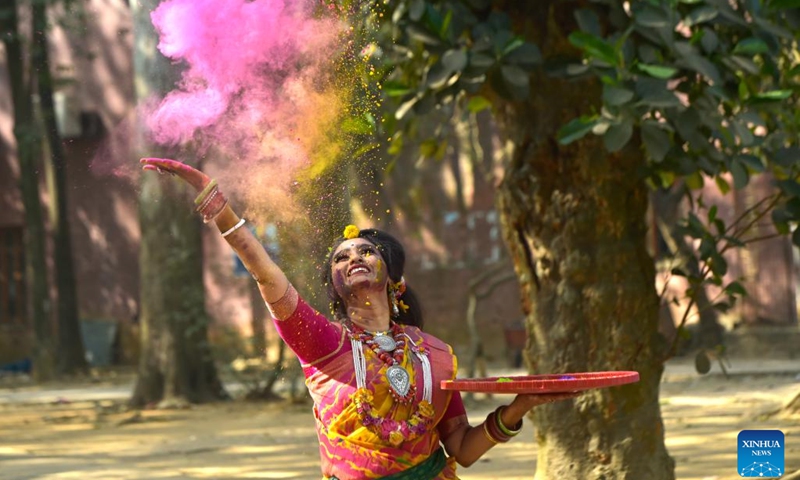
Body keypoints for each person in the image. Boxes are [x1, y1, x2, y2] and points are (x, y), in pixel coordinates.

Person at [140, 157, 579, 480]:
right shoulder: (323, 343)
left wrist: (518, 409)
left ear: (394, 279)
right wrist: (220, 209)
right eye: (341, 257)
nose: (355, 257)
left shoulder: (437, 355)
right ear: (333, 287)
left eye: (367, 251)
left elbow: (461, 449)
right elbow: (264, 273)